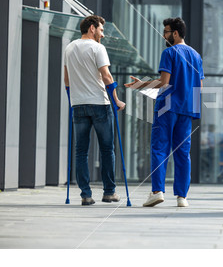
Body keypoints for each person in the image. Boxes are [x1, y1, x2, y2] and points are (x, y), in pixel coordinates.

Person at [125, 17, 204, 207]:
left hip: (167, 106)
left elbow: (164, 82)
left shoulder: (169, 52)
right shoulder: (196, 56)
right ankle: (182, 197)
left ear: (175, 34)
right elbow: (199, 86)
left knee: (160, 148)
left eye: (166, 32)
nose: (164, 35)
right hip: (186, 109)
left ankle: (157, 191)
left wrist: (140, 84)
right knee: (183, 152)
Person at [64, 15, 126, 206]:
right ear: (92, 28)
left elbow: (67, 80)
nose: (103, 34)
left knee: (80, 151)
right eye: (101, 30)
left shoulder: (69, 47)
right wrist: (116, 100)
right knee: (107, 149)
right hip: (100, 104)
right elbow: (106, 76)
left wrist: (72, 99)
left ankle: (85, 195)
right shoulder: (98, 48)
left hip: (79, 105)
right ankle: (109, 192)